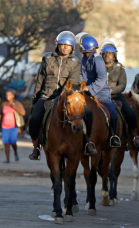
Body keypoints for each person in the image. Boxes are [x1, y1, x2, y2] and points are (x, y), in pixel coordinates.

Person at [29, 31, 96, 160]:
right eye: (62, 44)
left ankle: (88, 142)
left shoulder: (75, 62)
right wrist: (35, 99)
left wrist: (61, 96)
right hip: (46, 95)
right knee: (34, 118)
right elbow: (40, 80)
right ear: (58, 45)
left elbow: (73, 82)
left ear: (72, 47)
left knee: (88, 113)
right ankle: (36, 146)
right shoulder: (47, 59)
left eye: (68, 45)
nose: (65, 47)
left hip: (65, 97)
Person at [100, 40, 139, 147]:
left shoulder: (120, 68)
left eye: (109, 53)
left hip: (116, 95)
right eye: (105, 53)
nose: (107, 56)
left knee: (131, 113)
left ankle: (134, 136)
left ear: (114, 55)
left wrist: (111, 90)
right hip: (100, 95)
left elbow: (122, 85)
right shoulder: (98, 66)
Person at [79, 35, 121, 147]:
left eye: (81, 45)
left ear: (86, 46)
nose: (79, 47)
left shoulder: (97, 59)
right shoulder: (84, 59)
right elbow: (81, 76)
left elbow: (102, 78)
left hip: (100, 92)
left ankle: (113, 136)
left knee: (112, 110)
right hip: (85, 91)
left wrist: (89, 88)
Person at [0, 90, 26, 163]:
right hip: (4, 127)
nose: (7, 96)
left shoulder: (17, 103)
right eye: (6, 95)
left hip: (14, 127)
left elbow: (23, 113)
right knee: (6, 143)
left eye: (9, 95)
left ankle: (15, 152)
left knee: (13, 142)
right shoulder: (3, 104)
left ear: (13, 96)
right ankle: (7, 159)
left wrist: (14, 107)